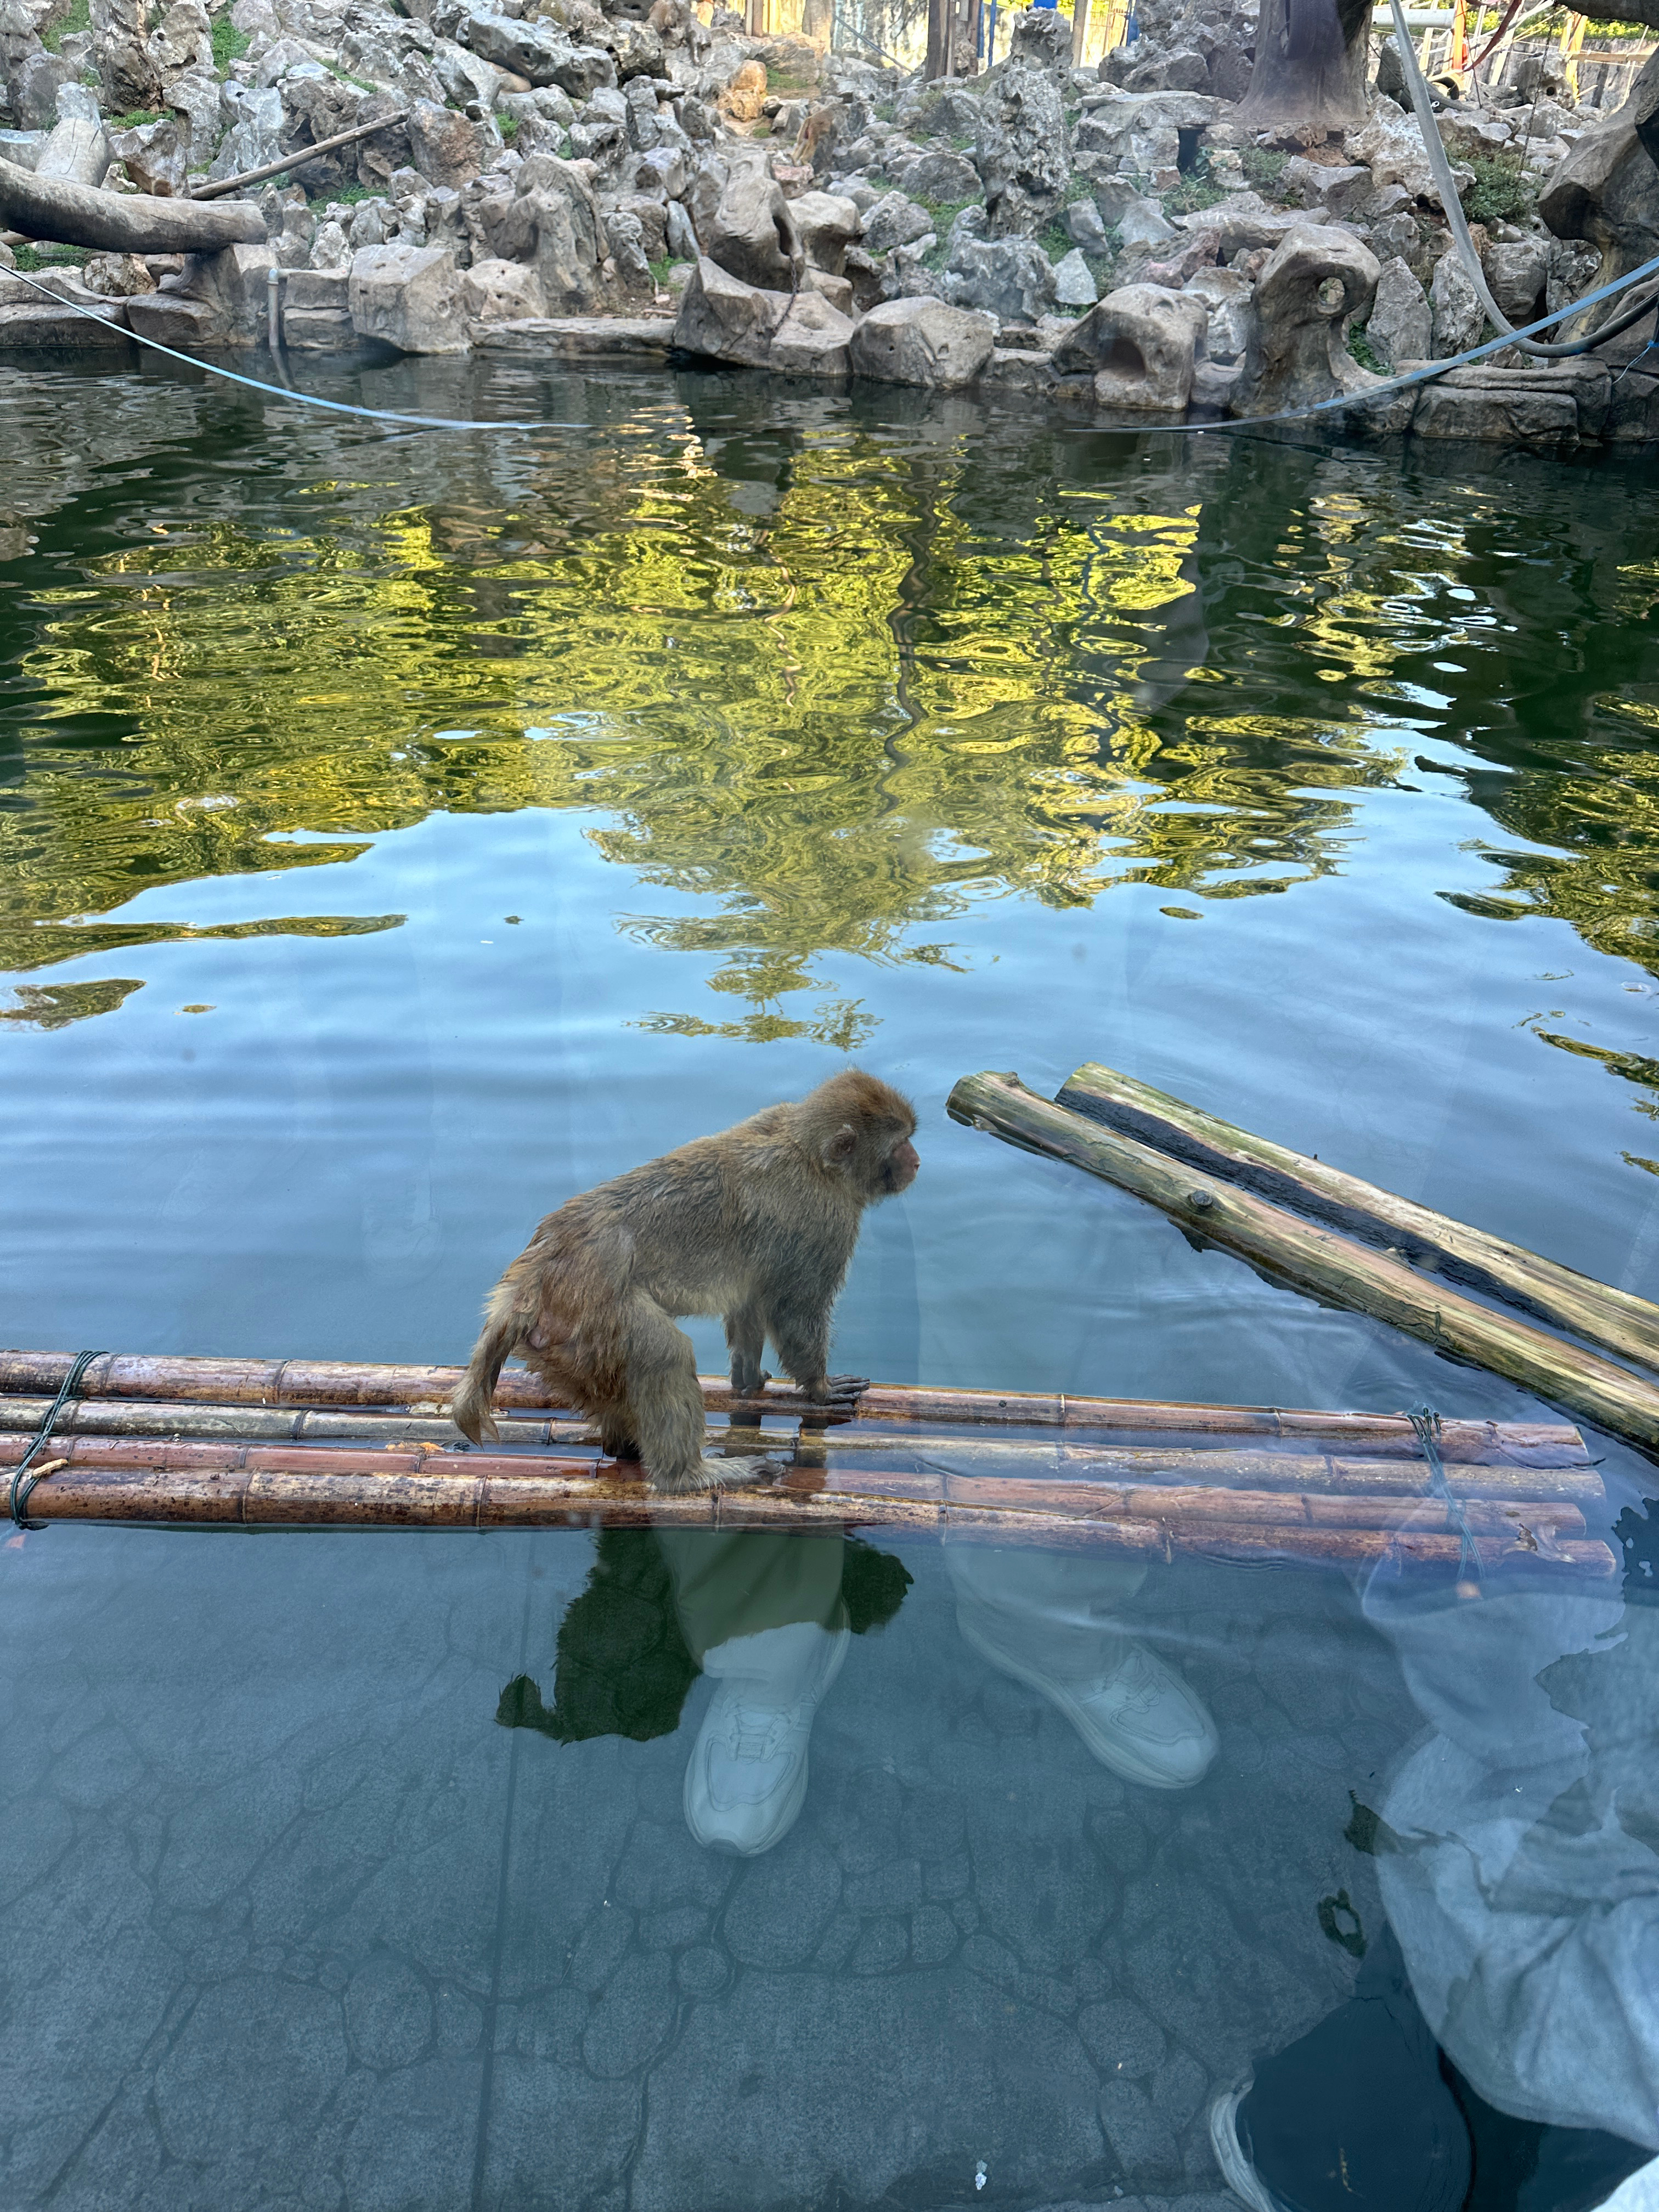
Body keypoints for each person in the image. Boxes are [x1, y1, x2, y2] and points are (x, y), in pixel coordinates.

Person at [1210, 1549, 1659, 2212]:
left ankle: (1311, 2162)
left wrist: (1452, 1859)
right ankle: (1314, 2142)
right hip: (1520, 1914)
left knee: (1491, 2107)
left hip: (1541, 2035)